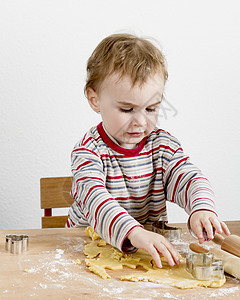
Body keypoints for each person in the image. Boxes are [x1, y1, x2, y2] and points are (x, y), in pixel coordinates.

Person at [66, 33, 230, 268]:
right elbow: (95, 199)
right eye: (127, 109)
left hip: (142, 255)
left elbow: (189, 177)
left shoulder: (161, 147)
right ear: (94, 99)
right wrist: (133, 231)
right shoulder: (88, 151)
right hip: (85, 253)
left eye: (151, 108)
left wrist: (200, 207)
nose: (141, 122)